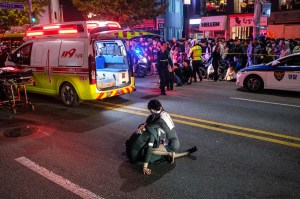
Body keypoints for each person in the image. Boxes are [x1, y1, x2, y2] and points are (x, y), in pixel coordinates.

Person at [132, 99, 198, 175]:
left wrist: (145, 167)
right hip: (174, 141)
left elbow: (148, 126)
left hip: (172, 145)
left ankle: (169, 154)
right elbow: (150, 123)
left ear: (152, 110)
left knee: (150, 150)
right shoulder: (164, 113)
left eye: (150, 110)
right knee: (159, 144)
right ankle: (182, 152)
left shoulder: (160, 120)